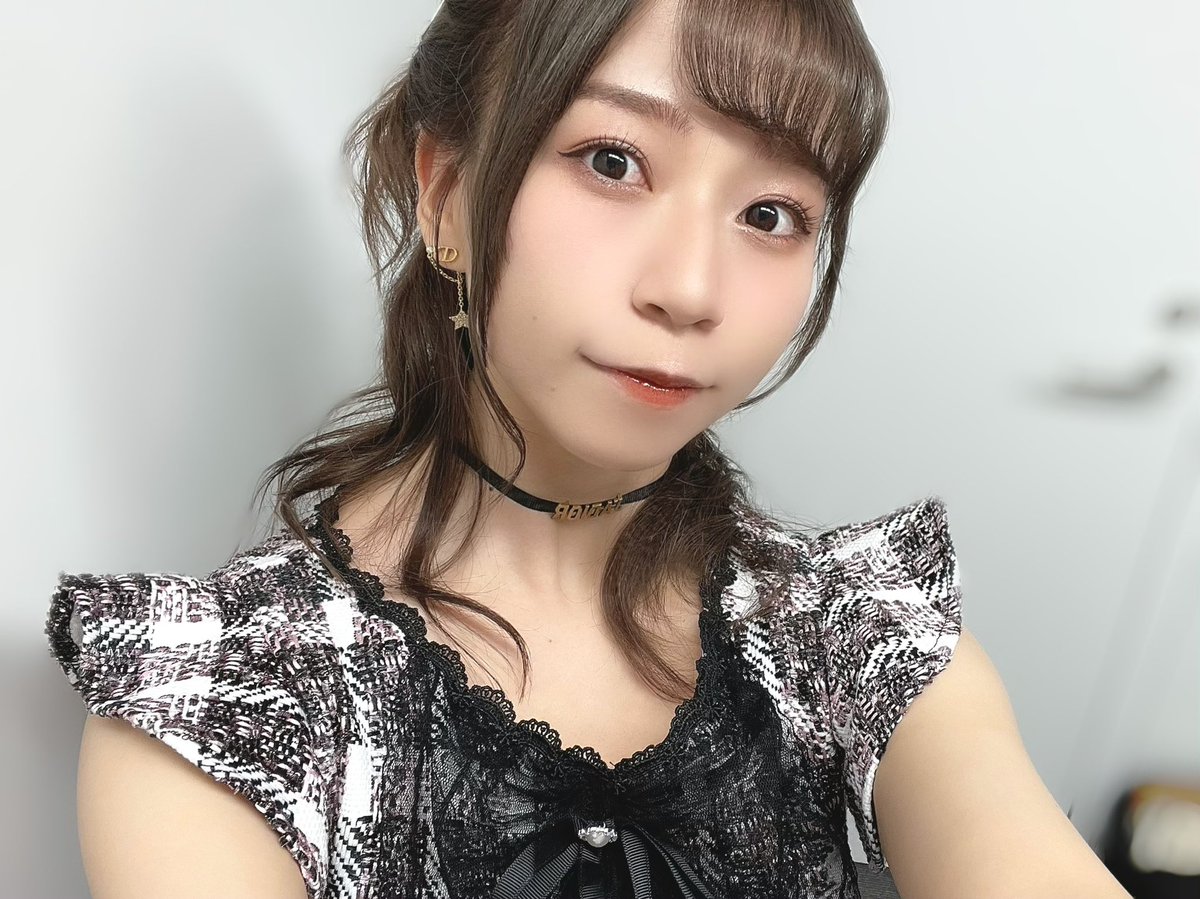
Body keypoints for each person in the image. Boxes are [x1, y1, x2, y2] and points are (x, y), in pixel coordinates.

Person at [44, 0, 1132, 897]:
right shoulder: (226, 701)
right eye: (613, 161)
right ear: (447, 194)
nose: (690, 290)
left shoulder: (848, 631)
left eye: (771, 214)